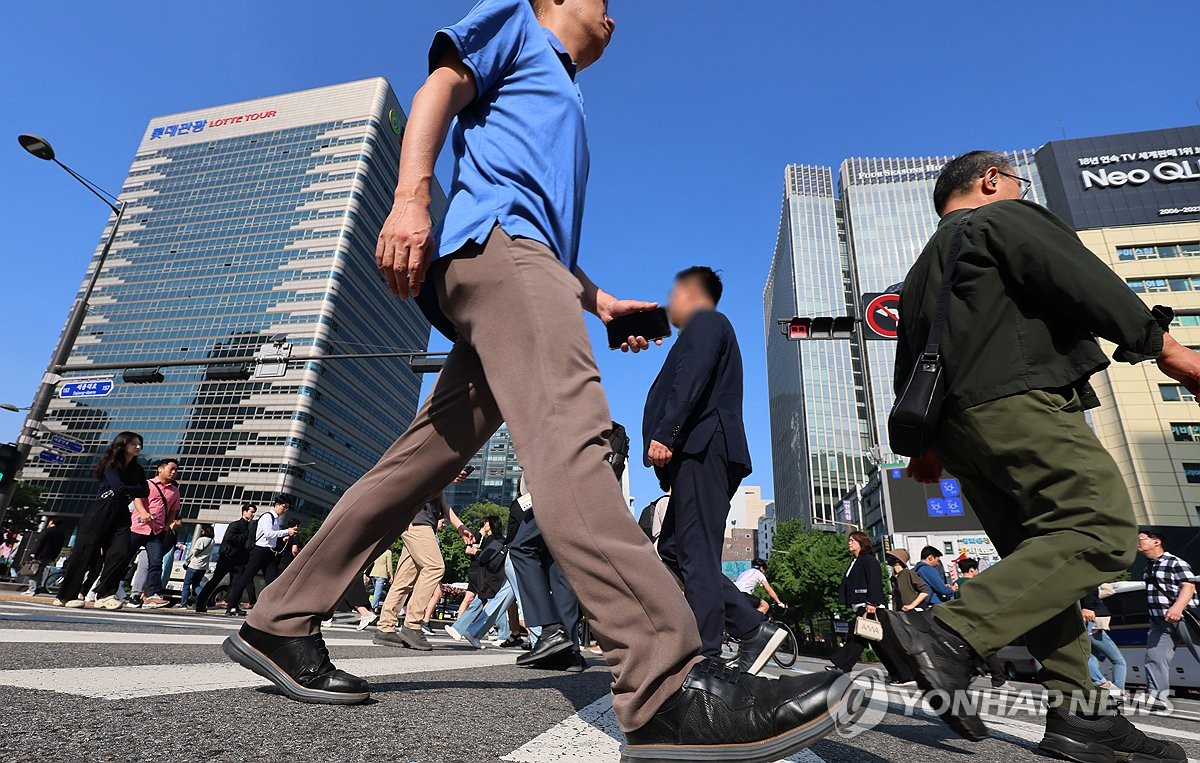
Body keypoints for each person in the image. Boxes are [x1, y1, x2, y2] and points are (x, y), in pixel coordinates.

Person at [221, 3, 848, 757]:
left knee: (418, 462)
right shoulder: (518, 23)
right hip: (501, 257)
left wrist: (601, 302)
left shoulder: (563, 93)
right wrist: (412, 196)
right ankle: (665, 678)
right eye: (603, 2)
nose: (615, 18)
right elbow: (437, 90)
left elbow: (543, 237)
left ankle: (280, 616)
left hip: (521, 262)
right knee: (571, 433)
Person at [883, 150, 1192, 760]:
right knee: (1100, 529)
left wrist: (922, 450)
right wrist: (1166, 348)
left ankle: (1081, 713)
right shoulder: (1001, 218)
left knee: (1041, 563)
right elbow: (1078, 277)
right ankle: (948, 631)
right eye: (1017, 184)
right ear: (990, 181)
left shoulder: (920, 271)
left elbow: (911, 359)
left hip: (959, 433)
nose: (1022, 192)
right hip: (1019, 403)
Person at [643, 266, 785, 677]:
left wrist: (668, 432)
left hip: (702, 447)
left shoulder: (707, 322)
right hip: (699, 451)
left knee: (695, 553)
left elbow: (691, 377)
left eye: (674, 294)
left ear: (691, 292)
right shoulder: (709, 327)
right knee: (674, 551)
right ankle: (747, 626)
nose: (670, 304)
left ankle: (706, 655)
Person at [373, 480, 474, 651]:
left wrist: (460, 526)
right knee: (435, 567)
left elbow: (444, 505)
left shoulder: (440, 479)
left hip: (416, 523)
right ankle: (412, 625)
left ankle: (385, 627)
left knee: (403, 580)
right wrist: (451, 473)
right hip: (417, 522)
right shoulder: (434, 466)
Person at [55, 431, 149, 610]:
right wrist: (132, 488)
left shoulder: (138, 469)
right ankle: (66, 595)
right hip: (101, 510)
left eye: (139, 444)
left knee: (120, 552)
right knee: (85, 553)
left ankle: (106, 594)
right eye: (134, 443)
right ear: (122, 444)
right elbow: (120, 488)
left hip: (121, 511)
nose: (138, 447)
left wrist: (128, 489)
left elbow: (144, 491)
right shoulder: (112, 464)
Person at [506, 478, 585, 671]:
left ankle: (551, 630)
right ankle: (570, 652)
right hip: (575, 492)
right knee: (559, 569)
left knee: (521, 547)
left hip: (554, 487)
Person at [828, 533, 916, 683]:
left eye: (852, 540)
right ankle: (902, 674)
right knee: (881, 644)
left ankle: (843, 666)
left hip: (870, 606)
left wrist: (872, 603)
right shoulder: (855, 561)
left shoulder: (868, 560)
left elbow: (874, 581)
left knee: (858, 637)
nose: (849, 543)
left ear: (861, 543)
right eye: (849, 540)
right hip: (864, 605)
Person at [104, 457, 182, 609]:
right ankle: (108, 589)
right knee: (123, 559)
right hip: (138, 528)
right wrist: (143, 513)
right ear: (160, 469)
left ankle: (154, 594)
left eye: (176, 470)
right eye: (171, 469)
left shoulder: (174, 491)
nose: (173, 472)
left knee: (156, 562)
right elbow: (137, 500)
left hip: (156, 531)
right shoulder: (148, 484)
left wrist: (166, 526)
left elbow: (173, 510)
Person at [1137, 530, 1200, 707]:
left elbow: (1188, 586)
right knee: (1154, 656)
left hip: (1183, 617)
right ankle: (1157, 698)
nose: (1137, 543)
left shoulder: (1175, 562)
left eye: (1141, 539)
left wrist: (1177, 608)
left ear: (1156, 542)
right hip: (1159, 621)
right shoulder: (1148, 566)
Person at [224, 495, 296, 617]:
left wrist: (283, 538)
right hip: (259, 551)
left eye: (287, 508)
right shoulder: (267, 517)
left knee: (273, 581)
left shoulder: (277, 520)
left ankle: (272, 608)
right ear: (277, 505)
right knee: (245, 578)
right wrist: (286, 531)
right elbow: (268, 533)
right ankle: (232, 606)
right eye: (284, 507)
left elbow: (272, 537)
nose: (285, 510)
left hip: (269, 552)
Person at [446, 515, 508, 644]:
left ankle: (502, 634)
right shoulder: (495, 539)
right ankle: (466, 631)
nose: (483, 525)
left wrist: (475, 552)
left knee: (493, 603)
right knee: (490, 602)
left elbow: (486, 557)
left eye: (486, 523)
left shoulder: (495, 540)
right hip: (491, 577)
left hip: (491, 577)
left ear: (490, 525)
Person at [195, 504, 257, 613]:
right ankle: (200, 603)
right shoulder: (235, 525)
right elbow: (229, 538)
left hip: (239, 559)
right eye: (251, 512)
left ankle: (232, 607)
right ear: (244, 511)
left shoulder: (250, 526)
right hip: (227, 557)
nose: (253, 514)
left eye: (254, 512)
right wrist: (243, 537)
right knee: (215, 580)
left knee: (237, 583)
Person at [956, 558, 1006, 688]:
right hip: (977, 621)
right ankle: (998, 679)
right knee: (988, 649)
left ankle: (974, 669)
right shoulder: (973, 584)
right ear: (972, 569)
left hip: (963, 622)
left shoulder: (957, 584)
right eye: (976, 569)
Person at [1081, 584, 1126, 702]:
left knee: (1091, 656)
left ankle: (1097, 687)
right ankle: (1114, 691)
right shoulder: (1088, 579)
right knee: (1119, 661)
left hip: (1091, 620)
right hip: (1094, 621)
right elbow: (1107, 589)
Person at [22, 518, 65, 596]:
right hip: (49, 556)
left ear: (51, 522)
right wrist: (54, 557)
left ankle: (32, 589)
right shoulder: (61, 534)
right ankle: (37, 588)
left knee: (34, 571)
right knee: (40, 571)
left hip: (40, 554)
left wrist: (33, 552)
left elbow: (39, 541)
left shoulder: (47, 531)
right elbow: (59, 546)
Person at [180, 524, 215, 608]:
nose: (201, 531)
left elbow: (195, 552)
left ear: (205, 531)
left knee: (186, 585)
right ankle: (204, 599)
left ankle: (184, 603)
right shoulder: (212, 541)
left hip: (194, 565)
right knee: (196, 585)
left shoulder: (201, 540)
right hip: (203, 567)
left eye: (202, 530)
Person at [886, 550, 928, 614]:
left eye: (891, 557)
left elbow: (924, 591)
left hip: (915, 614)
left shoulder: (909, 573)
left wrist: (912, 605)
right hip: (901, 614)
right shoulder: (893, 578)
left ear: (898, 561)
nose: (888, 559)